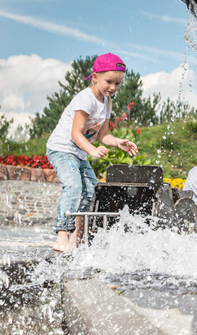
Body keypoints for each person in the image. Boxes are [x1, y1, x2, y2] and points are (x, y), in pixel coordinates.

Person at [45, 53, 138, 252]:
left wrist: (118, 142)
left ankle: (76, 238)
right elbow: (75, 133)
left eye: (117, 83)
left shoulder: (107, 102)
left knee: (92, 191)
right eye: (109, 81)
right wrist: (93, 150)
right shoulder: (85, 98)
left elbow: (103, 135)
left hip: (78, 153)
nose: (113, 87)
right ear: (95, 77)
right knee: (73, 186)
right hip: (61, 148)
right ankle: (62, 235)